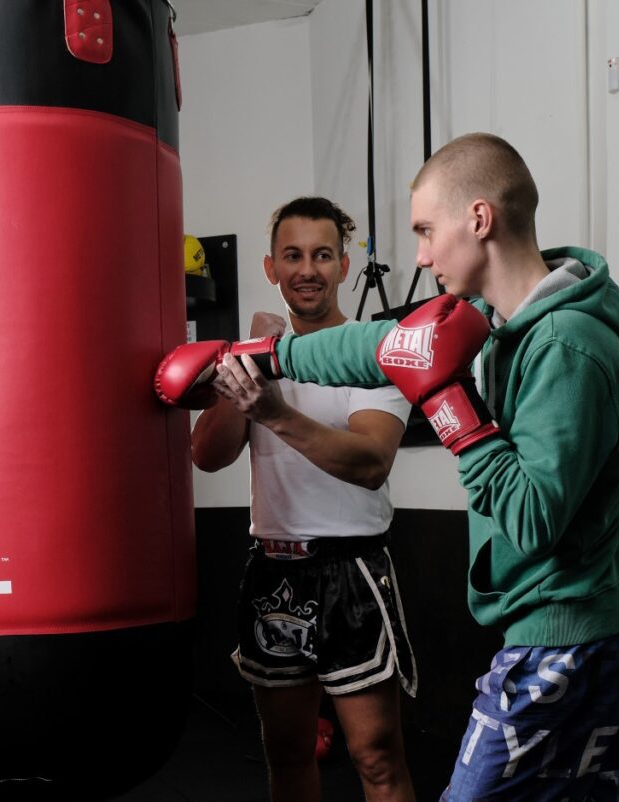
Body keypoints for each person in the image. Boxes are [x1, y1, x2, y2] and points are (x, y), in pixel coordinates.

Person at [156, 134, 619, 801]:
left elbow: (531, 520)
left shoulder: (567, 348)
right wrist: (260, 354)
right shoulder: (497, 324)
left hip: (567, 642)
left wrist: (447, 403)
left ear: (477, 219)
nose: (420, 254)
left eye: (425, 230)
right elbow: (369, 345)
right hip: (593, 625)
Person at [190, 196, 419, 802]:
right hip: (273, 568)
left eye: (322, 255)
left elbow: (370, 463)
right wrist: (246, 365)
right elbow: (207, 454)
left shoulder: (376, 352)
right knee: (286, 755)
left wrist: (275, 411)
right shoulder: (255, 357)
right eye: (293, 255)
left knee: (376, 757)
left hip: (350, 568)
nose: (307, 269)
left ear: (345, 266)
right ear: (271, 268)